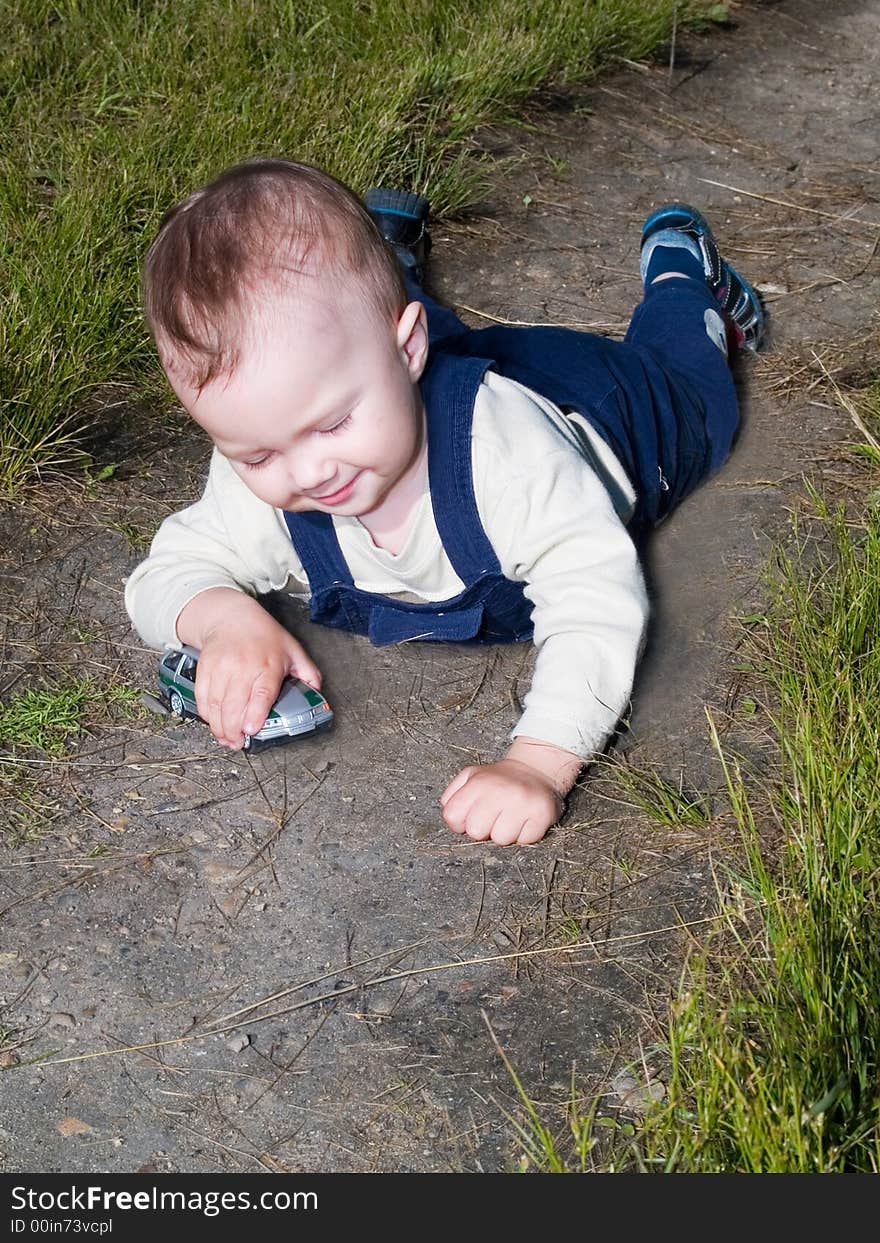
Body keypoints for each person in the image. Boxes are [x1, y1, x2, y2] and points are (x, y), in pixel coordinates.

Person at [125, 158, 765, 846]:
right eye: (256, 454)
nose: (310, 471)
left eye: (333, 423)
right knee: (361, 336)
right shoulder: (278, 450)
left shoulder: (508, 462)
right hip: (408, 366)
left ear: (406, 351)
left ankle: (680, 273)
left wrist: (540, 761)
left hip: (610, 412)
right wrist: (221, 621)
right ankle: (386, 263)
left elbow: (594, 597)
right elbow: (162, 576)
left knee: (697, 393)